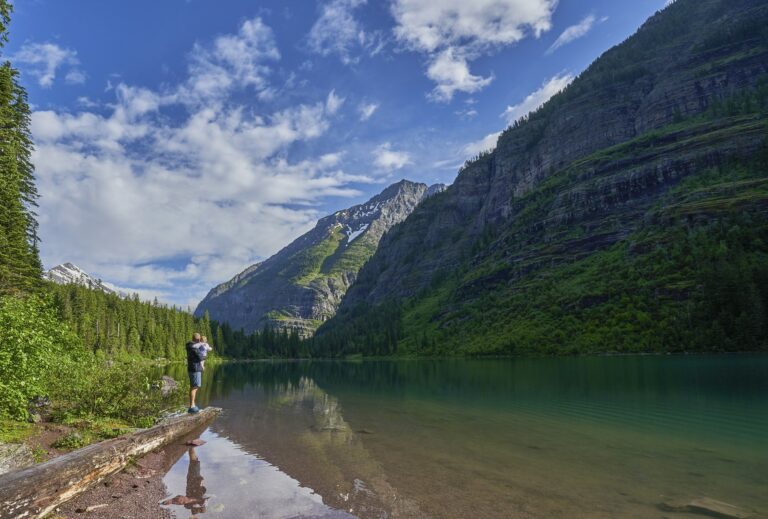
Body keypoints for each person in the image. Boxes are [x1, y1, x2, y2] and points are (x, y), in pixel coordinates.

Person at [186, 332, 206, 413]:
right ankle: (192, 406)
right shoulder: (194, 347)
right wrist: (205, 352)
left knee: (193, 387)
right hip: (195, 368)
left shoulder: (190, 345)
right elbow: (200, 357)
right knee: (195, 387)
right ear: (197, 339)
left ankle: (192, 405)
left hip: (192, 368)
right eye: (200, 339)